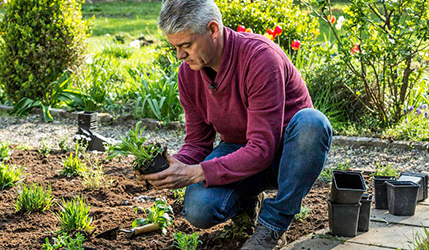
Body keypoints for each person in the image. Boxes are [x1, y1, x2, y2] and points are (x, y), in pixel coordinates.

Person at [141, 0, 333, 249]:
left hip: (290, 153)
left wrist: (200, 171)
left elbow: (263, 148)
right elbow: (198, 142)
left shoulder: (260, 58)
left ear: (213, 30)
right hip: (241, 152)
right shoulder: (188, 74)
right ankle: (247, 204)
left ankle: (273, 227)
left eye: (186, 45)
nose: (180, 55)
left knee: (313, 123)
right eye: (175, 47)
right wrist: (172, 166)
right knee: (199, 208)